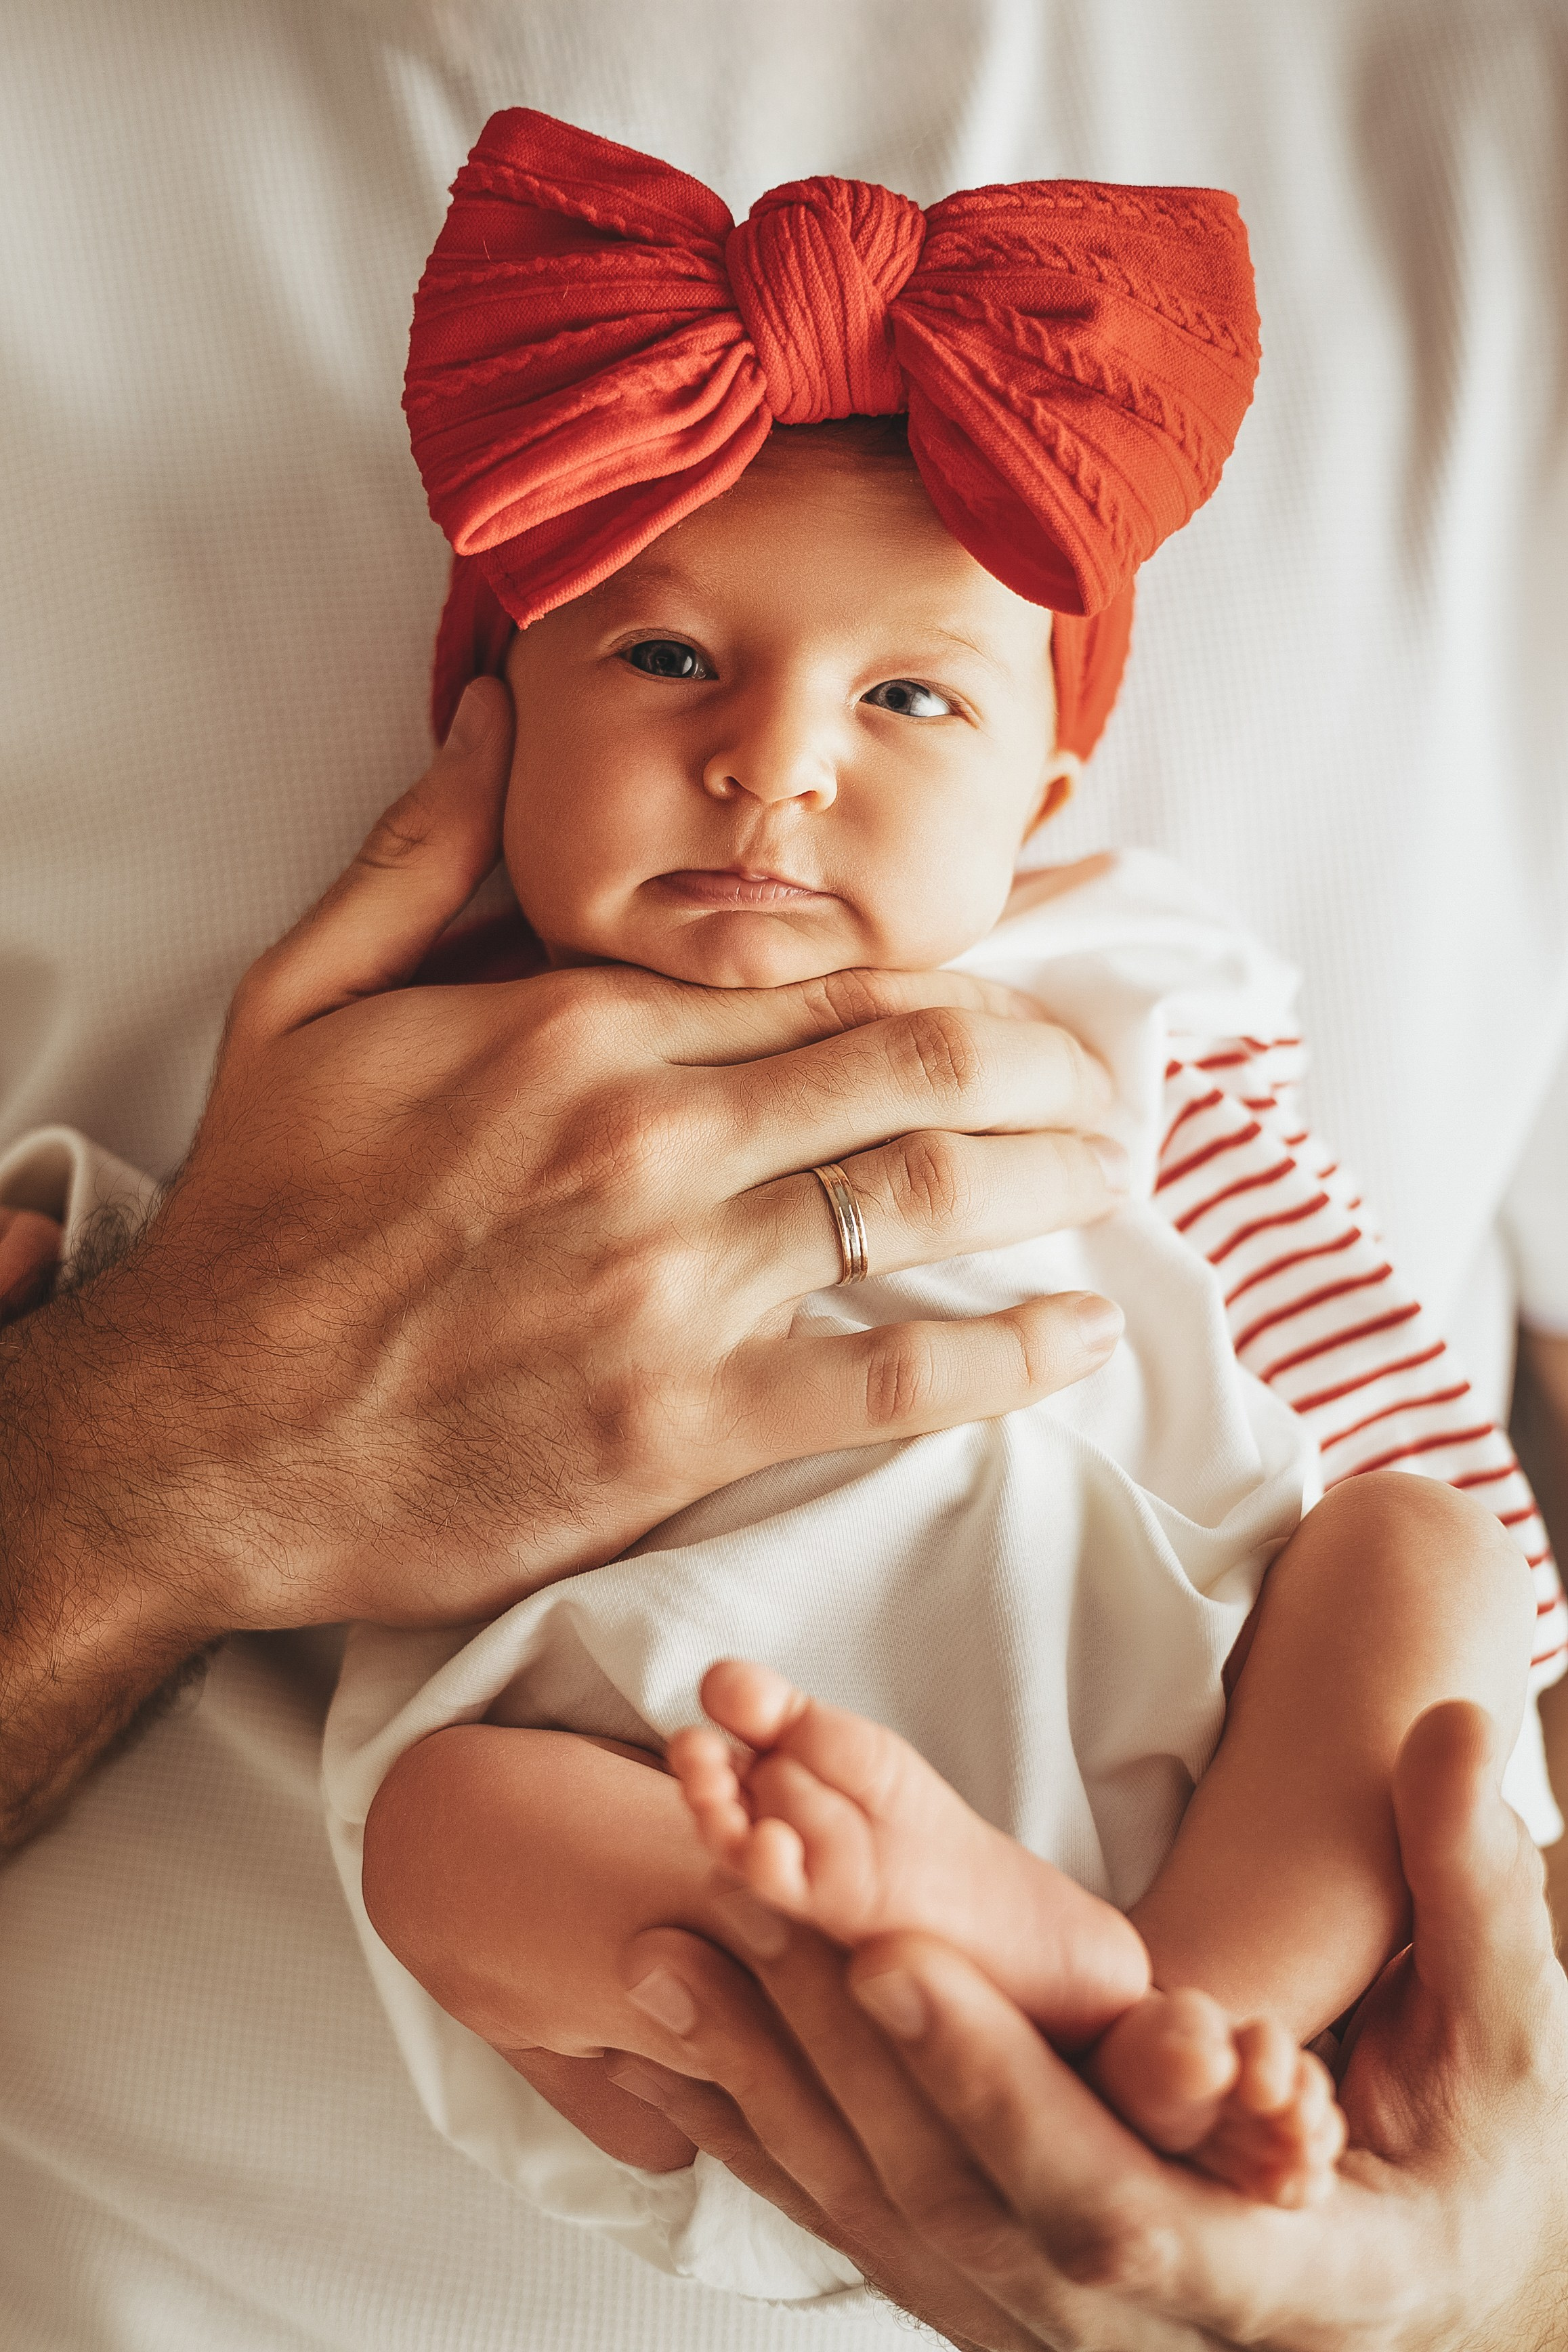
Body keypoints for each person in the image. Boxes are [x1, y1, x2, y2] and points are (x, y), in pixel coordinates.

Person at [3, 6, 1567, 2348]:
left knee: (1426, 1568)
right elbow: (101, 1283)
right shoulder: (372, 1059)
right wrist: (116, 1437)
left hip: (1167, 1701)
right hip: (663, 1788)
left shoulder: (1125, 973)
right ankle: (952, 1969)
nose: (770, 769)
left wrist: (1493, 2248)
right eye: (661, 658)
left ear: (1041, 809)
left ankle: (1176, 2028)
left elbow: (1352, 1328)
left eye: (907, 703)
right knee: (455, 1841)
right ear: (482, 741)